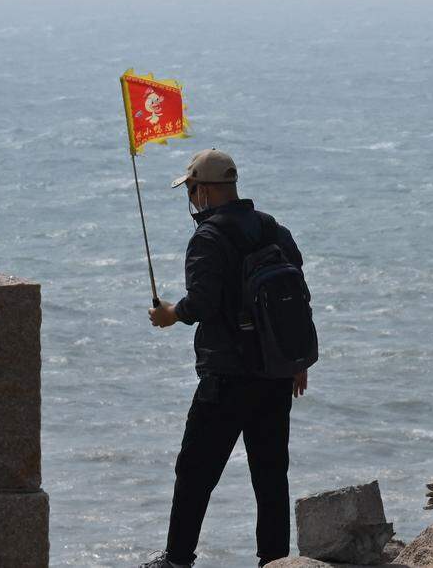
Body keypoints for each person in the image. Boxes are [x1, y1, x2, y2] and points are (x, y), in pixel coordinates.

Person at [141, 148, 309, 568]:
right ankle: (274, 561)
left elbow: (201, 303)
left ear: (204, 190)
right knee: (270, 475)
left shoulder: (208, 238)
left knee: (195, 471)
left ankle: (178, 560)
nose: (192, 198)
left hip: (227, 378)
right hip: (274, 373)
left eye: (192, 190)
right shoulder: (273, 229)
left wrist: (168, 316)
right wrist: (297, 361)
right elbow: (296, 297)